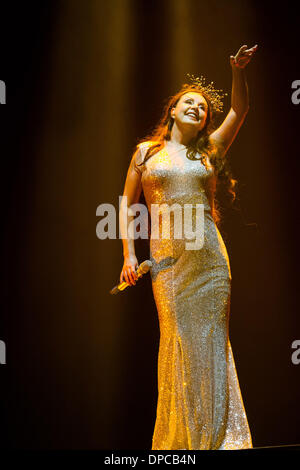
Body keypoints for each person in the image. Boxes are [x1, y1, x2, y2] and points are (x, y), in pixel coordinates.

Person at [119, 44, 258, 450]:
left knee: (211, 344)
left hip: (210, 264)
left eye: (203, 107)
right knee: (178, 344)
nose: (198, 108)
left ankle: (218, 442)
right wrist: (129, 255)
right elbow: (128, 206)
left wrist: (236, 71)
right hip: (168, 267)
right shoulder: (147, 153)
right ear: (173, 110)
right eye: (190, 103)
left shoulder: (209, 150)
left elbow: (240, 110)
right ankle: (183, 442)